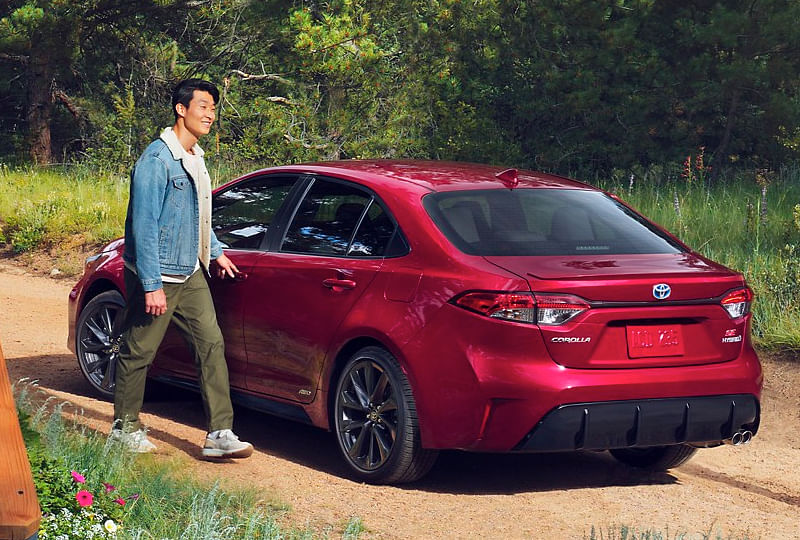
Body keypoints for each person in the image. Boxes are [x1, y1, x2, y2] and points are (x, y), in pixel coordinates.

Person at [111, 78, 252, 459]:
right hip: (158, 275)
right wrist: (151, 284)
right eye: (203, 106)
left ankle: (220, 433)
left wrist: (217, 252)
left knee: (211, 344)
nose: (210, 114)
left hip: (190, 271)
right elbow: (143, 226)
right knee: (139, 351)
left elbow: (197, 215)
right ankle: (124, 428)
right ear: (181, 109)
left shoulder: (195, 158)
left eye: (213, 108)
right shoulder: (157, 160)